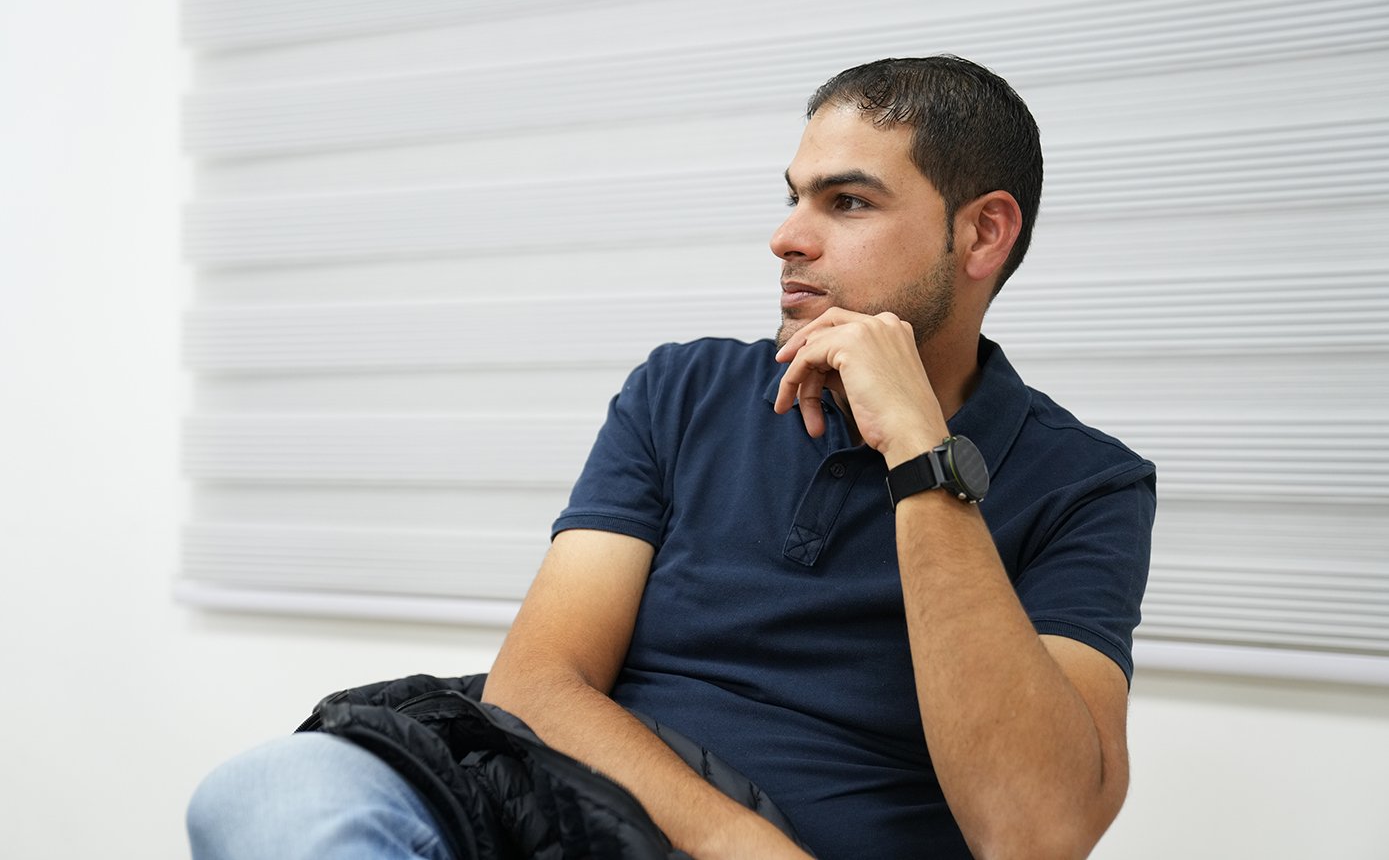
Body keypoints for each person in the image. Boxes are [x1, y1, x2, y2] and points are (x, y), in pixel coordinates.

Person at [188, 55, 1155, 860]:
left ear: (981, 233)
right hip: (563, 810)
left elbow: (1034, 830)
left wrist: (920, 454)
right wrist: (739, 845)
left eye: (848, 202)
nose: (786, 238)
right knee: (273, 790)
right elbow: (537, 683)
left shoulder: (1087, 485)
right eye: (793, 198)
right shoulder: (684, 388)